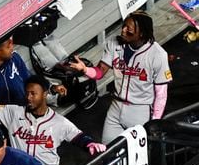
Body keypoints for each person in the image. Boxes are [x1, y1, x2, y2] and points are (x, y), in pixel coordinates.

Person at [0, 74, 107, 165]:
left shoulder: (58, 121)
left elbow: (78, 137)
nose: (28, 97)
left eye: (33, 94)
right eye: (27, 93)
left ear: (44, 94)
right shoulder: (14, 112)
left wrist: (90, 143)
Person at [69, 11, 172, 144]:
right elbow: (100, 72)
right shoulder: (114, 43)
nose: (123, 31)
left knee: (137, 154)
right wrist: (85, 69)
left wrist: (155, 122)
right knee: (108, 151)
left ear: (141, 33)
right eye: (123, 26)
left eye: (128, 29)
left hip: (140, 111)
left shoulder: (157, 54)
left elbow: (161, 94)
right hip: (116, 107)